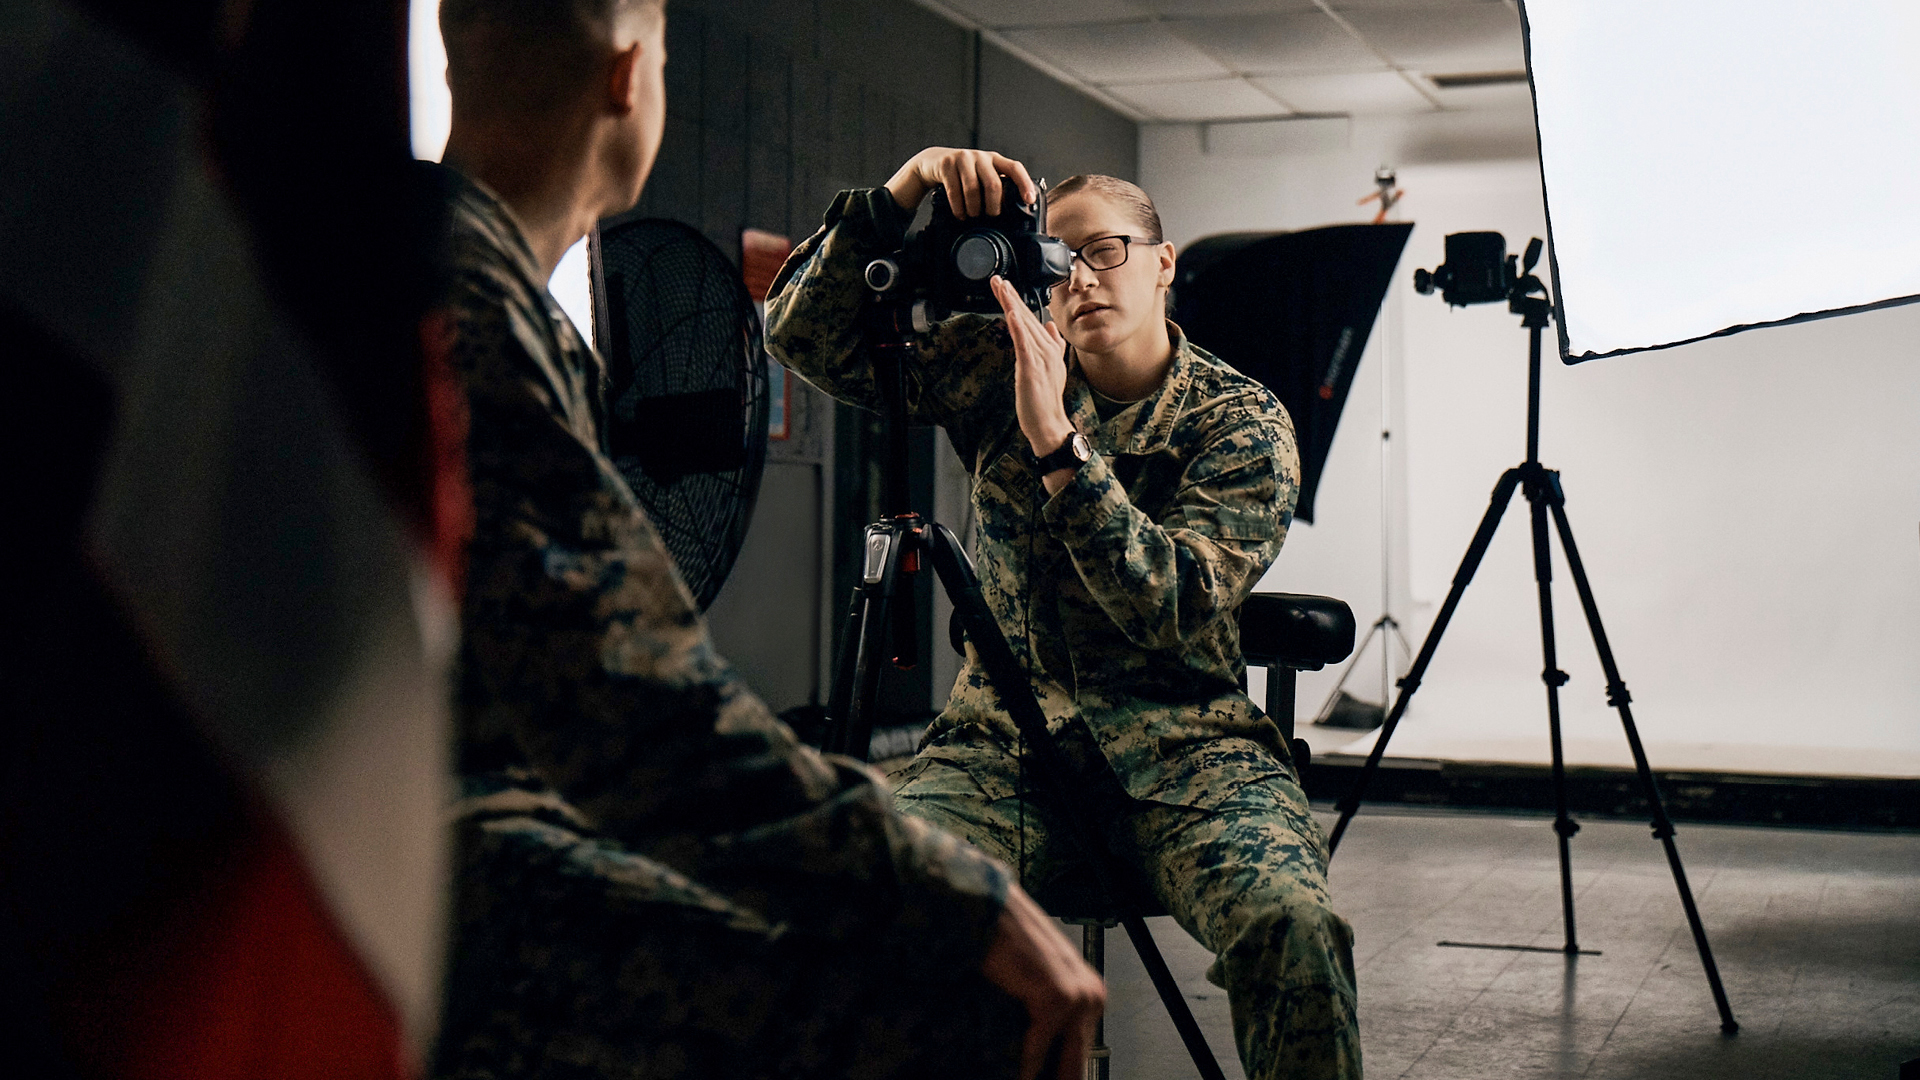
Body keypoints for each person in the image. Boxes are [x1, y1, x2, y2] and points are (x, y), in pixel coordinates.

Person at [426, 4, 1103, 1078]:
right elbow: (636, 712)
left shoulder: (426, 268)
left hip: (415, 811)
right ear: (630, 73)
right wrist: (956, 903)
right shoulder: (465, 303)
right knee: (952, 1002)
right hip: (405, 856)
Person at [765, 146, 1363, 1080]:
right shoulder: (994, 367)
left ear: (1164, 263)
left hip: (1189, 750)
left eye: (1106, 251)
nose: (1079, 279)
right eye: (1053, 259)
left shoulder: (1240, 424)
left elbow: (1169, 603)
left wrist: (1059, 446)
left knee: (1296, 928)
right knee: (872, 908)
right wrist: (907, 189)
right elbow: (801, 334)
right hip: (1001, 747)